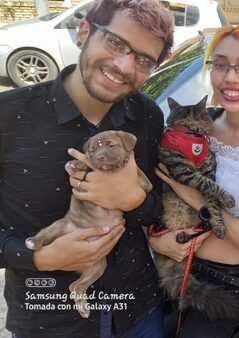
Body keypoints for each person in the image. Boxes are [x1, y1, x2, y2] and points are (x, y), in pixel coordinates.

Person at [0, 0, 174, 336]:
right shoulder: (9, 117)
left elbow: (159, 210)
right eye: (115, 42)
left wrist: (135, 200)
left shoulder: (147, 116)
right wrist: (37, 258)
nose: (124, 65)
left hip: (139, 312)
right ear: (84, 32)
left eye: (143, 60)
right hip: (49, 319)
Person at [148, 24, 239, 338]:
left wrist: (197, 198)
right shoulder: (201, 124)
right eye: (221, 64)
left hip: (224, 287)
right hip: (170, 272)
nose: (231, 77)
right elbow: (155, 190)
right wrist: (155, 240)